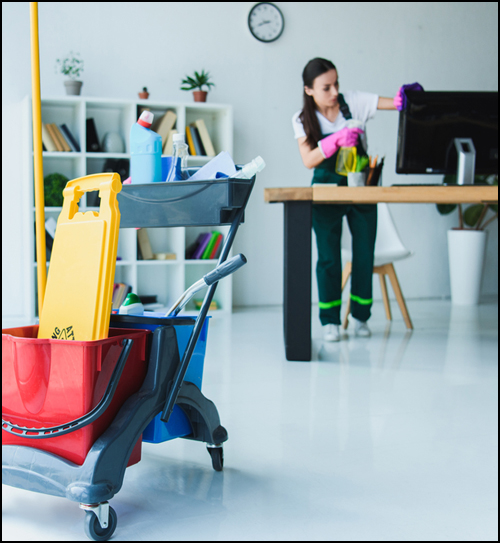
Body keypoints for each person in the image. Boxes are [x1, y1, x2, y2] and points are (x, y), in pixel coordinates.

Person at [292, 57, 402, 342]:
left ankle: (361, 317)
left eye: (336, 84)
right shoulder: (302, 119)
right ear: (309, 90)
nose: (334, 92)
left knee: (364, 252)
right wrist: (334, 141)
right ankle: (330, 321)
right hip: (326, 189)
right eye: (326, 87)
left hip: (361, 186)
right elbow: (308, 159)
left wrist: (406, 98)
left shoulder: (353, 102)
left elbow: (395, 104)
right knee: (328, 257)